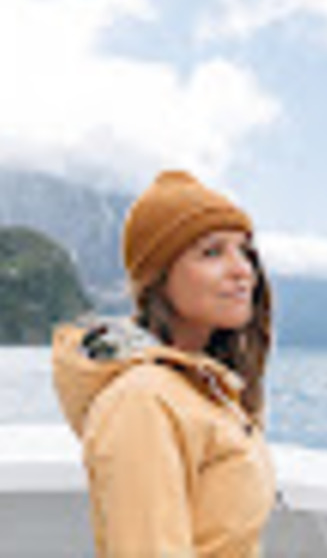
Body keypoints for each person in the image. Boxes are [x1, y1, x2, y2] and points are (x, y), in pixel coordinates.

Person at [51, 170, 277, 557]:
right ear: (158, 277)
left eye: (244, 251)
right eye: (212, 252)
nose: (242, 270)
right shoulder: (143, 402)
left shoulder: (203, 389)